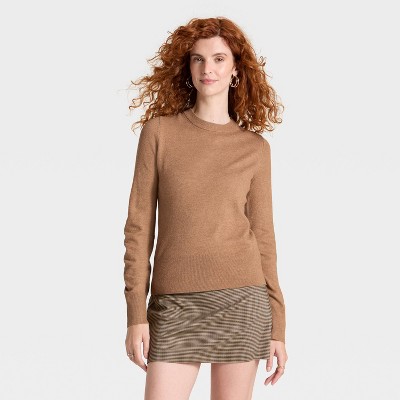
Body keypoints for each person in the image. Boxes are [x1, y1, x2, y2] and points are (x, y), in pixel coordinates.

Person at [123, 16, 288, 400]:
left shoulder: (254, 149)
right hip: (174, 303)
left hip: (243, 300)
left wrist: (278, 326)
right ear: (187, 66)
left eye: (218, 58)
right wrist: (135, 314)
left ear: (236, 69)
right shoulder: (159, 133)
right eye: (197, 59)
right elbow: (138, 228)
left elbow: (264, 238)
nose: (207, 68)